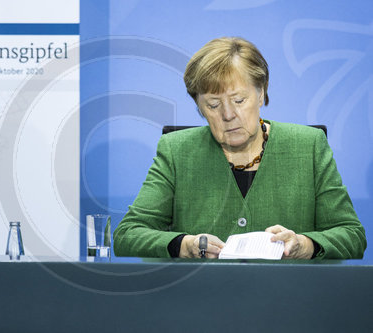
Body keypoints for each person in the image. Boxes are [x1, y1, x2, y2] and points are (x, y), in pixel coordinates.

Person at [113, 37, 366, 259]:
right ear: (199, 107)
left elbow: (352, 235)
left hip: (290, 301)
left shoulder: (309, 146)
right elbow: (127, 235)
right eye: (213, 105)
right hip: (199, 301)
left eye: (239, 100)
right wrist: (183, 244)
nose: (228, 114)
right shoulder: (176, 151)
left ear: (261, 92)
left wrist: (305, 245)